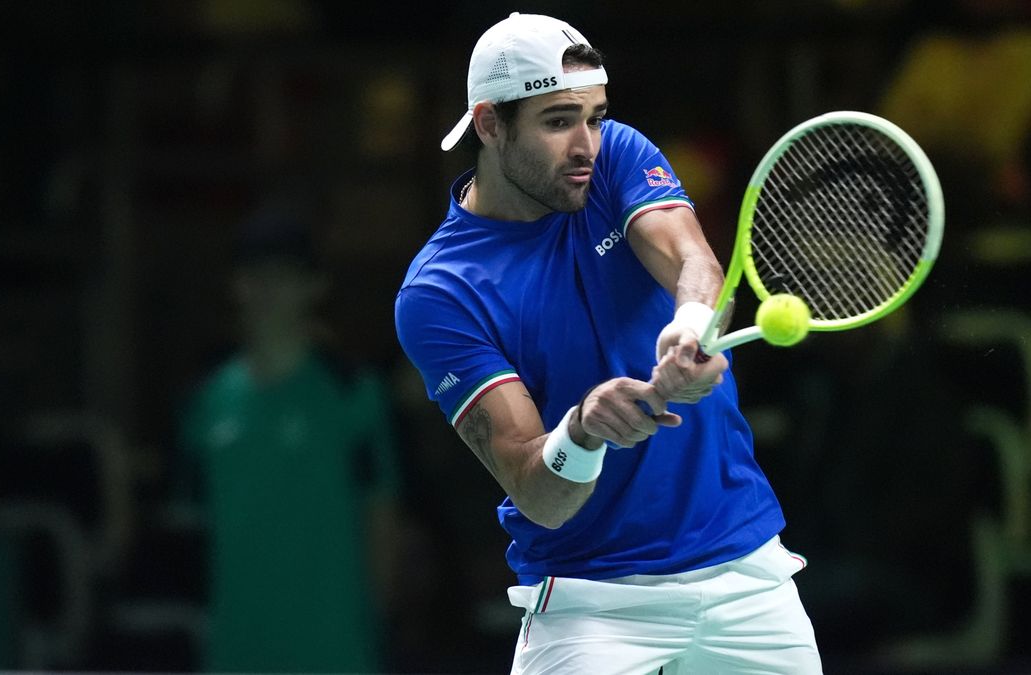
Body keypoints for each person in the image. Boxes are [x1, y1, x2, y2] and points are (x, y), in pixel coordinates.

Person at [394, 13, 821, 674]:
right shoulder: (441, 294)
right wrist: (584, 430)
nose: (587, 144)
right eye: (559, 120)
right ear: (489, 125)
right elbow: (539, 492)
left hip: (746, 573)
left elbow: (692, 260)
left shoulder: (617, 155)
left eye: (595, 115)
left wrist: (689, 324)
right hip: (591, 605)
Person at [180, 203, 402, 673]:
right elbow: (193, 529)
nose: (267, 290)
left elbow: (381, 520)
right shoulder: (208, 402)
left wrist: (377, 626)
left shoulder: (353, 396)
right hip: (234, 651)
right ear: (234, 285)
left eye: (284, 275)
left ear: (314, 286)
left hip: (335, 651)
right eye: (254, 275)